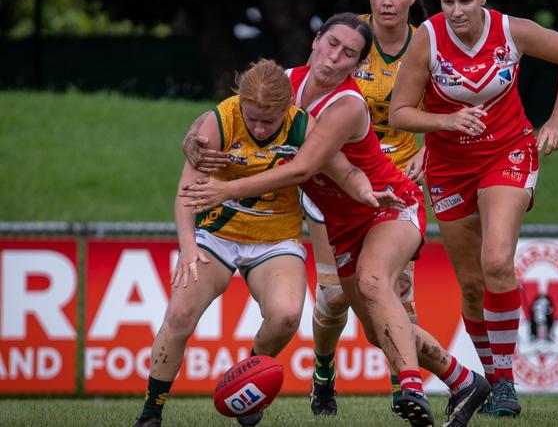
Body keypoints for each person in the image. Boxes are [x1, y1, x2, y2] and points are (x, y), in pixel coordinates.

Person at [179, 13, 491, 427]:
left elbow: (301, 169)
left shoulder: (347, 104)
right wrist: (194, 135)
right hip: (342, 222)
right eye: (331, 44)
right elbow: (231, 114)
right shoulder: (285, 84)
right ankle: (464, 380)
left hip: (387, 203)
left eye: (348, 53)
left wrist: (224, 190)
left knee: (373, 281)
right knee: (377, 330)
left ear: (358, 66)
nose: (334, 57)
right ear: (315, 41)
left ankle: (410, 388)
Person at [132, 59, 399, 427]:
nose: (258, 126)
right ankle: (151, 411)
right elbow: (186, 192)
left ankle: (246, 378)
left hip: (275, 237)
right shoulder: (220, 121)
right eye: (252, 116)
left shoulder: (303, 125)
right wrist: (188, 246)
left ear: (287, 107)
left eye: (268, 120)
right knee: (179, 314)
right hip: (217, 235)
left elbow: (344, 170)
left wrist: (366, 190)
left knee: (287, 316)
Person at [389, 0, 558, 418]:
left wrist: (557, 120)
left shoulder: (509, 30)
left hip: (508, 152)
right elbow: (400, 113)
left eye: (465, 1)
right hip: (448, 166)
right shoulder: (429, 39)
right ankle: (491, 377)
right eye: (447, 2)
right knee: (474, 286)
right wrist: (445, 123)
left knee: (497, 259)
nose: (456, 11)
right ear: (437, 0)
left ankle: (506, 384)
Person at [305, 0, 429, 416]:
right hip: (336, 177)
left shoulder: (428, 42)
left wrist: (429, 149)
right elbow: (312, 84)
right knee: (333, 297)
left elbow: (455, 100)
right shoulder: (350, 36)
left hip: (394, 186)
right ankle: (323, 371)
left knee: (398, 295)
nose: (387, 1)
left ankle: (406, 390)